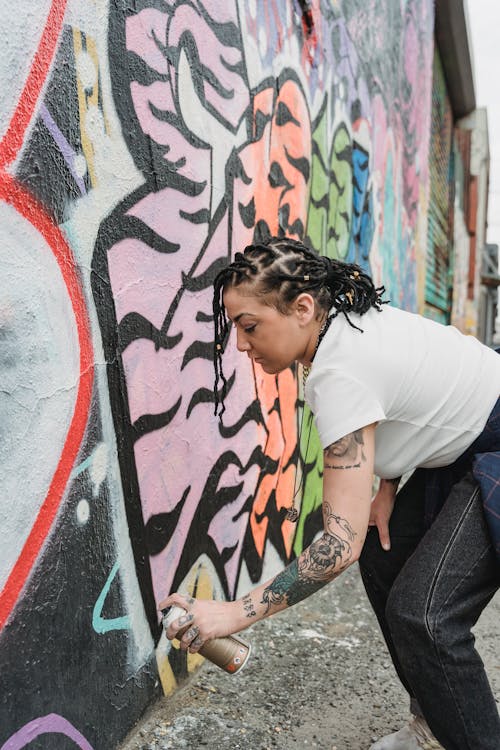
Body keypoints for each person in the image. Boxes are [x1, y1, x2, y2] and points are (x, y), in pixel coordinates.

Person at [161, 236, 500, 750]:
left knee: (424, 615)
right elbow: (408, 390)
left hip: (490, 441)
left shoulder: (340, 370)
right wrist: (385, 481)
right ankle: (434, 718)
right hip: (468, 435)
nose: (241, 345)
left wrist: (231, 612)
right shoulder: (344, 324)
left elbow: (336, 547)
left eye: (249, 327)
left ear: (301, 308)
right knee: (386, 558)